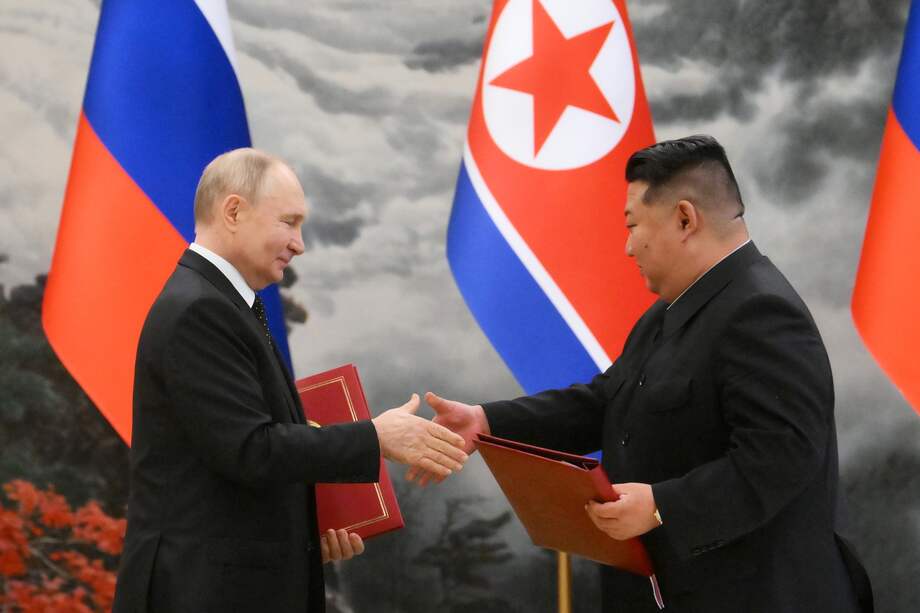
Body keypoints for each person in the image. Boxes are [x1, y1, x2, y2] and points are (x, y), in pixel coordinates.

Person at [416, 136, 872, 612]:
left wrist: (661, 506)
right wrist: (488, 422)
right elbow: (606, 401)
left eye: (633, 226)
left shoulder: (763, 310)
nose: (628, 246)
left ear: (684, 219)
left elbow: (780, 458)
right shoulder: (670, 312)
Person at [113, 148, 468, 613]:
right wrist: (376, 437)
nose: (299, 244)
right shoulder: (201, 310)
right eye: (289, 222)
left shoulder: (222, 303)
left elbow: (231, 464)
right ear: (234, 211)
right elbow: (251, 450)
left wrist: (308, 531)